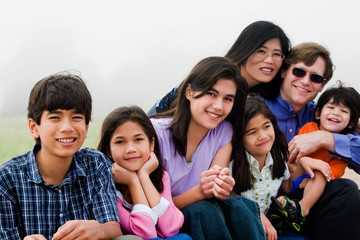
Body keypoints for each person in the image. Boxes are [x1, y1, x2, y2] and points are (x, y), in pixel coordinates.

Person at [149, 56, 265, 240]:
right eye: (211, 93)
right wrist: (199, 192)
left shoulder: (224, 132)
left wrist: (220, 187)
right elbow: (150, 208)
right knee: (201, 210)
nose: (218, 106)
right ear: (189, 91)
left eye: (228, 98)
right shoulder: (155, 133)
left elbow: (214, 190)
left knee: (241, 207)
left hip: (205, 218)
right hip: (165, 222)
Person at [0, 72, 124, 239]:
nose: (67, 127)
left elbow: (114, 229)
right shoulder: (6, 179)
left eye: (76, 117)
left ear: (86, 127)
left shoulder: (96, 164)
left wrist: (98, 230)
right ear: (34, 127)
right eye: (55, 117)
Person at [261, 42, 360, 239]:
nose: (305, 81)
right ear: (284, 72)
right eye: (299, 71)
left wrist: (326, 137)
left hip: (303, 199)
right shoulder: (259, 106)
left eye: (315, 77)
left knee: (347, 190)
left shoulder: (321, 117)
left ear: (322, 85)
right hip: (265, 194)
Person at [230, 97, 331, 239]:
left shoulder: (277, 157)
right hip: (240, 228)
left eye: (266, 126)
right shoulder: (232, 166)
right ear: (239, 137)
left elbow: (287, 186)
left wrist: (303, 163)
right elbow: (226, 204)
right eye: (252, 132)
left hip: (269, 227)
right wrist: (255, 213)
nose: (263, 136)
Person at [148, 20, 291, 114]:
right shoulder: (213, 74)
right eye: (261, 51)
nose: (269, 60)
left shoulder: (266, 97)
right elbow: (153, 118)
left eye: (277, 54)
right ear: (246, 49)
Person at [272, 82, 360, 233]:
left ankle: (302, 209)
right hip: (296, 176)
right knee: (307, 167)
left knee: (321, 171)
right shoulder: (309, 128)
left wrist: (312, 176)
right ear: (319, 113)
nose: (336, 113)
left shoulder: (345, 143)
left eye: (344, 111)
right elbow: (292, 158)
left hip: (317, 184)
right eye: (331, 107)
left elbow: (333, 173)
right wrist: (303, 169)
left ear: (351, 121)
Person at [98, 106, 191, 240]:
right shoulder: (107, 187)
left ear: (151, 144)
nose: (131, 149)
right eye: (120, 142)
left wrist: (143, 176)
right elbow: (146, 233)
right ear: (108, 150)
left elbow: (171, 228)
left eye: (138, 139)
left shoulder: (160, 177)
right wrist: (133, 182)